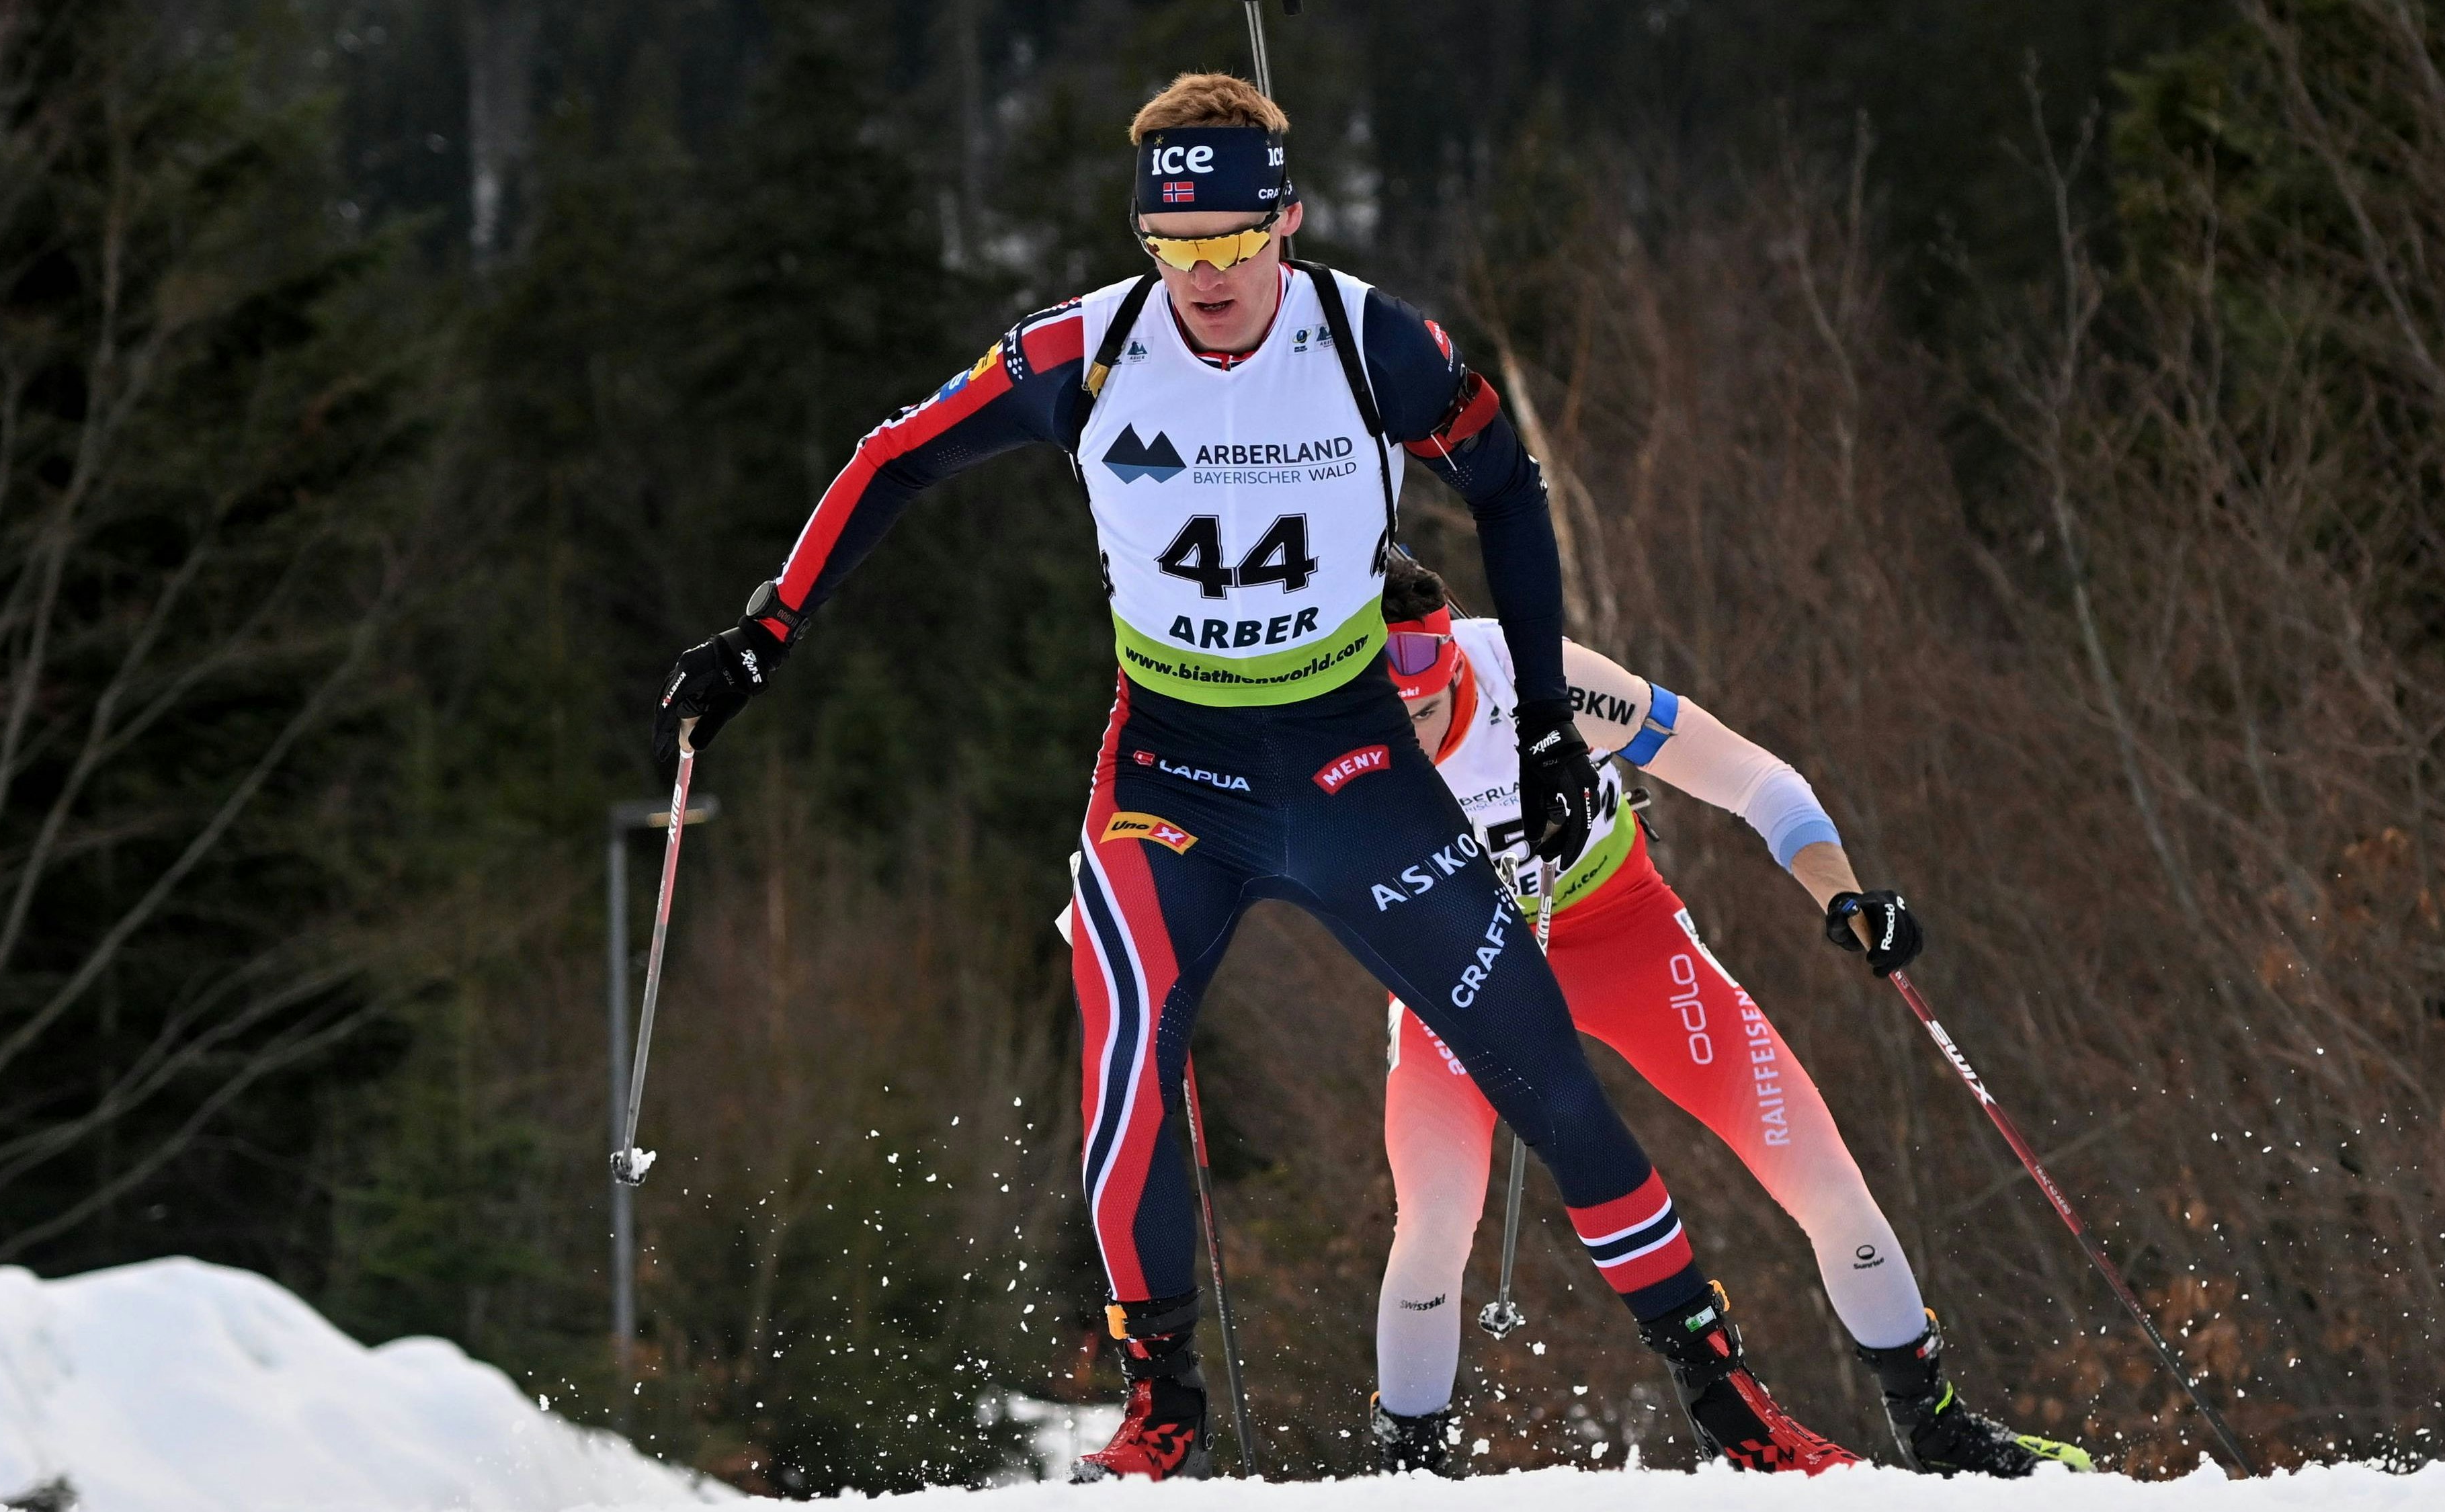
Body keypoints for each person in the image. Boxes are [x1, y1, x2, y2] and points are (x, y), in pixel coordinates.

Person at [651, 73, 1823, 1482]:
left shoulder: (1369, 344)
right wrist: (769, 630)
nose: (1206, 277)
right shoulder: (1083, 352)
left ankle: (1730, 1405)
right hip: (1170, 769)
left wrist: (1540, 733)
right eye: (1175, 246)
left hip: (1347, 764)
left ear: (1289, 222)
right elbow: (892, 458)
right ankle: (1158, 1410)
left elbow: (1506, 490)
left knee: (1542, 1067)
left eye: (1232, 243)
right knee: (1128, 1047)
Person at [1360, 559, 2094, 1478]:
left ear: (1455, 668)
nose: (1410, 741)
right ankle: (1409, 1473)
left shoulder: (1534, 675)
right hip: (1454, 964)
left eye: (1423, 714)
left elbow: (1753, 775)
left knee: (1820, 1172)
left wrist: (1844, 894)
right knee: (1433, 1219)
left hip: (1617, 929)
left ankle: (1936, 1424)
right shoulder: (1316, 724)